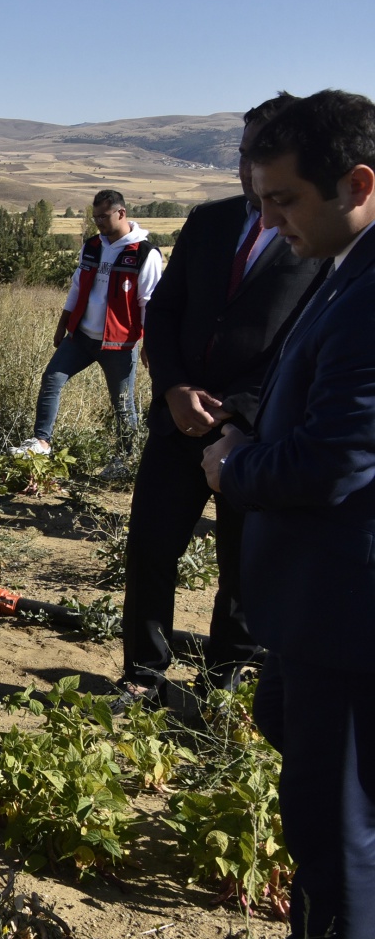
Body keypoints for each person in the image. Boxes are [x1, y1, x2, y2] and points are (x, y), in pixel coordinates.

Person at [202, 88, 375, 939]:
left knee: (333, 805)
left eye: (283, 202)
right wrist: (244, 415)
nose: (267, 222)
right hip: (319, 600)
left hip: (345, 608)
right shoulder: (348, 264)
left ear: (356, 181)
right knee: (318, 781)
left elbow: (335, 463)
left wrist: (235, 467)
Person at [114, 94, 322, 706]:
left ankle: (226, 674)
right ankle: (144, 671)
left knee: (242, 560)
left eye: (261, 152)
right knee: (151, 546)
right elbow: (166, 308)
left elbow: (303, 339)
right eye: (243, 152)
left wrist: (240, 407)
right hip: (179, 419)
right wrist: (175, 387)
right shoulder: (208, 220)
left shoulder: (314, 237)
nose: (247, 167)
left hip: (256, 430)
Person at [14, 190, 162, 474]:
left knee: (122, 404)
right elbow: (78, 287)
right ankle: (42, 443)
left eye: (104, 216)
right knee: (51, 379)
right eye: (95, 217)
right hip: (80, 337)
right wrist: (62, 324)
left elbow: (149, 304)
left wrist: (149, 344)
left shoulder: (145, 253)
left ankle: (125, 459)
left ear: (121, 213)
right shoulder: (92, 246)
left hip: (119, 344)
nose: (98, 222)